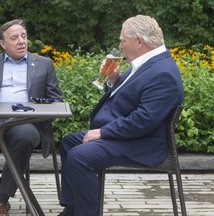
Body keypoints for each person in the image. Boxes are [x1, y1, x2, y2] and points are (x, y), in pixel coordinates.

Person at [58, 15, 184, 216]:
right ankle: (74, 208)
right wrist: (114, 79)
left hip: (143, 143)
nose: (120, 46)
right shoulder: (147, 64)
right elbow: (127, 101)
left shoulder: (163, 73)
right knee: (68, 142)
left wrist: (103, 132)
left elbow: (143, 120)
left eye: (123, 40)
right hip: (128, 135)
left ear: (139, 42)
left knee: (80, 156)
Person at [0, 19, 62, 216]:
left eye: (24, 36)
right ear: (3, 43)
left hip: (25, 121)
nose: (21, 41)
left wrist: (39, 106)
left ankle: (2, 200)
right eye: (15, 38)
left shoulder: (43, 64)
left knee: (24, 138)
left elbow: (56, 99)